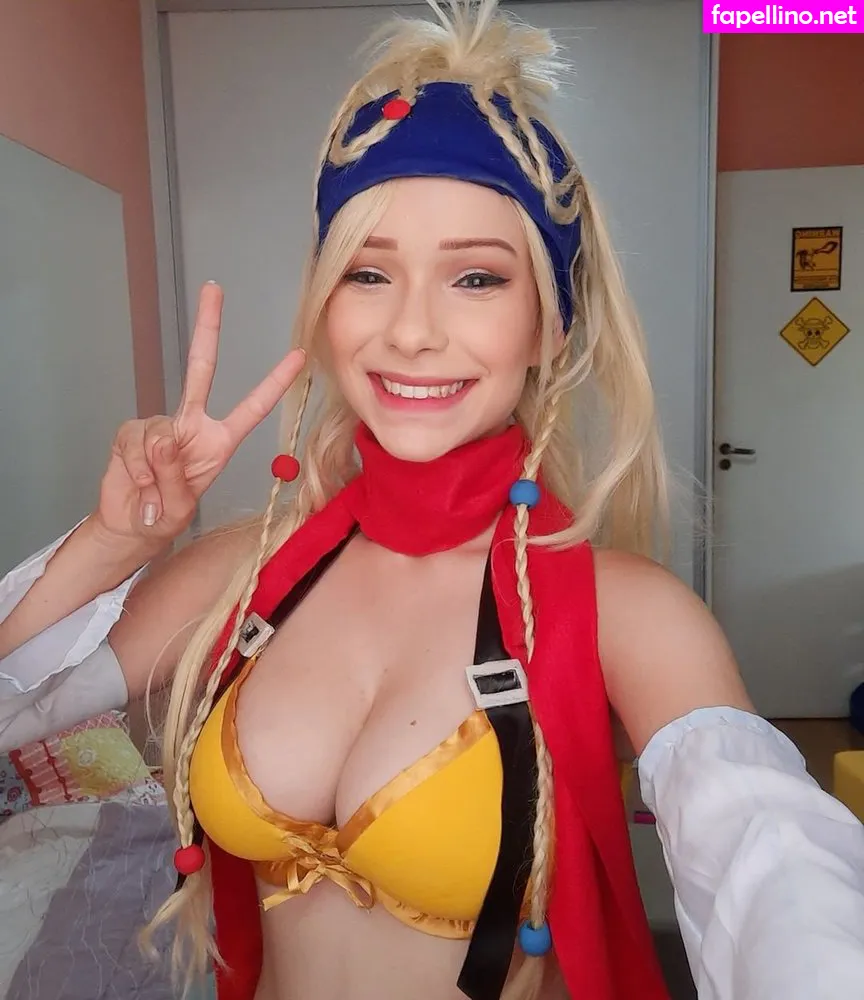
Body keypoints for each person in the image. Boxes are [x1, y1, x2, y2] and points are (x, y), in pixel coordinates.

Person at [2, 3, 864, 999]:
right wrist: (115, 542)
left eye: (476, 278)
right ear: (326, 307)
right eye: (369, 272)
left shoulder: (629, 613)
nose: (411, 331)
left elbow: (775, 874)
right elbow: (14, 708)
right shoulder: (246, 570)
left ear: (548, 325)